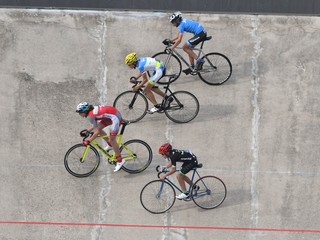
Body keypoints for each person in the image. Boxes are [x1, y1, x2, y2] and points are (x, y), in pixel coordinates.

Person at [76, 102, 125, 172]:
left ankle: (120, 161)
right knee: (99, 128)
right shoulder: (92, 110)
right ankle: (110, 144)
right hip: (112, 114)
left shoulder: (92, 116)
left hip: (115, 117)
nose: (79, 114)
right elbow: (95, 125)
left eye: (80, 112)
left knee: (112, 140)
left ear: (85, 111)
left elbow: (96, 132)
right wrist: (87, 131)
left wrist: (89, 140)